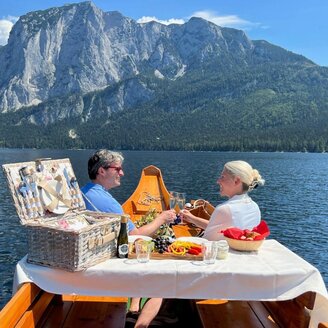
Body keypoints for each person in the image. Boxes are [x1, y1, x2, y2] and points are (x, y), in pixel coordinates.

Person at [81, 149, 176, 328]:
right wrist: (162, 218)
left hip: (95, 249)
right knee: (162, 276)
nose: (122, 173)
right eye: (117, 169)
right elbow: (133, 234)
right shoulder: (104, 200)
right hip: (109, 258)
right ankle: (141, 324)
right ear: (102, 171)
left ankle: (133, 306)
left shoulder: (87, 191)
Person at [180, 160, 265, 241]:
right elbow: (222, 227)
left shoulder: (225, 209)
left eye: (222, 177)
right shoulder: (254, 206)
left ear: (236, 181)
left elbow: (207, 241)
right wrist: (192, 218)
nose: (218, 181)